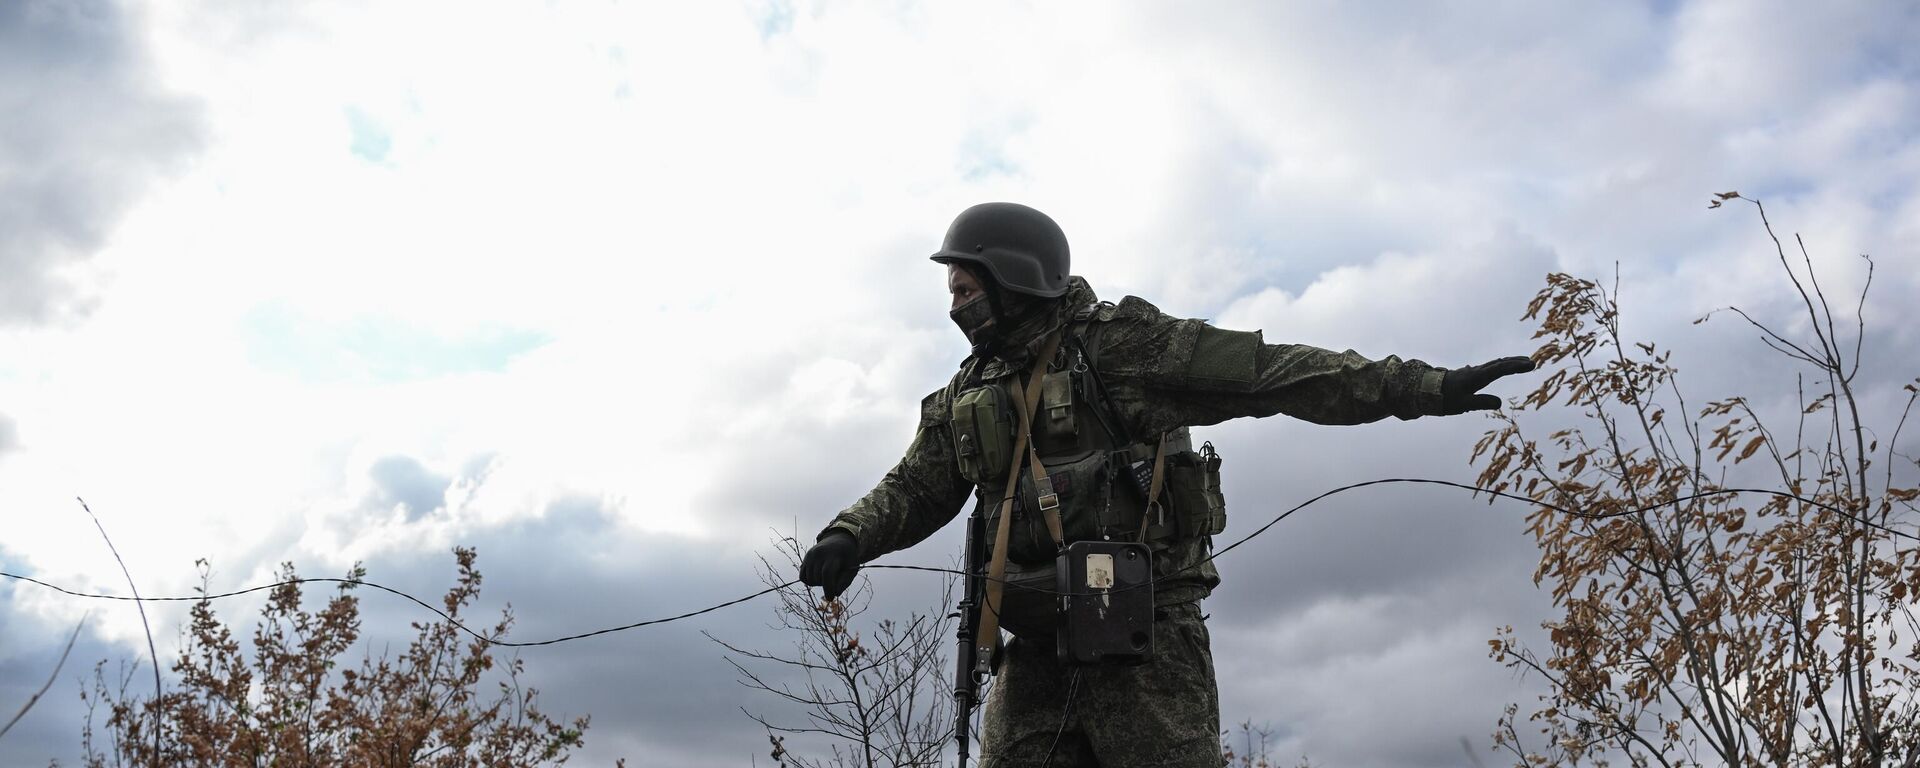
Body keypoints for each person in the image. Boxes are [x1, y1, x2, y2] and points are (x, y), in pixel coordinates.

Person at [799, 202, 1534, 767]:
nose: (955, 305)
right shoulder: (970, 390)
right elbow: (917, 486)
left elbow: (1271, 372)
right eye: (952, 290)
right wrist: (849, 536)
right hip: (1034, 651)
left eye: (966, 288)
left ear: (1014, 278)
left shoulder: (1123, 350)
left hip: (1145, 648)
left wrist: (1425, 387)